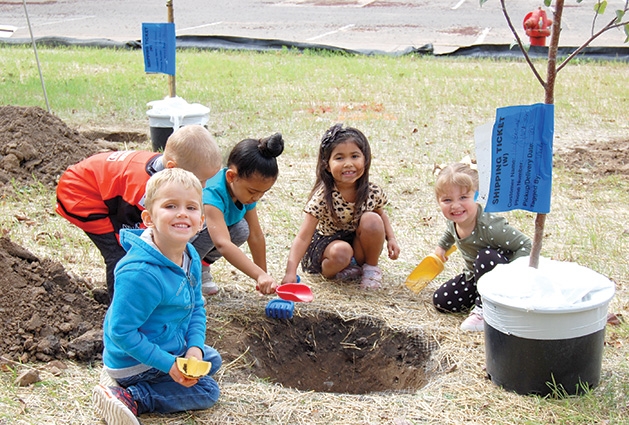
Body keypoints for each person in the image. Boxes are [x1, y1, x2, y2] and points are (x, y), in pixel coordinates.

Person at [92, 168, 222, 425]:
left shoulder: (190, 256)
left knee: (211, 358)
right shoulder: (140, 273)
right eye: (171, 206)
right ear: (149, 218)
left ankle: (147, 377)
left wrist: (194, 348)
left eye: (191, 207)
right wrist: (169, 364)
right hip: (133, 360)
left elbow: (196, 306)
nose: (182, 213)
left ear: (202, 220)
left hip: (166, 343)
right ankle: (132, 395)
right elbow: (121, 332)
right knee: (208, 391)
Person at [55, 125, 222, 302]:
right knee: (119, 254)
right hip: (80, 194)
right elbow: (133, 235)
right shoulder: (143, 191)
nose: (203, 186)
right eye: (200, 180)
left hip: (106, 192)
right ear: (173, 168)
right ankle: (121, 304)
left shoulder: (164, 171)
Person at [282, 123, 400, 290]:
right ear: (326, 164)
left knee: (372, 219)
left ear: (365, 159)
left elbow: (382, 216)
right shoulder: (323, 196)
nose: (348, 164)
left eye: (354, 156)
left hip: (358, 244)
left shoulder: (371, 191)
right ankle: (339, 271)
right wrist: (290, 271)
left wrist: (392, 239)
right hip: (330, 248)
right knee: (342, 251)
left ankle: (370, 269)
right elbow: (303, 236)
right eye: (339, 158)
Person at [431, 162, 532, 331]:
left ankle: (487, 309)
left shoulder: (490, 226)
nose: (455, 206)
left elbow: (525, 244)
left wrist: (513, 273)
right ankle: (480, 297)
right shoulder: (455, 220)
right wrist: (442, 247)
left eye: (463, 197)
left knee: (485, 256)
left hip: (500, 279)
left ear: (478, 197)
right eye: (447, 200)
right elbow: (450, 232)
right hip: (475, 277)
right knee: (442, 301)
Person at [190, 132, 284, 296]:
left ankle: (201, 267)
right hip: (184, 241)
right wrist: (258, 274)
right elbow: (222, 243)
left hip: (204, 238)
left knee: (241, 229)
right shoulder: (212, 192)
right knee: (212, 231)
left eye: (262, 193)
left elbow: (255, 235)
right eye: (253, 192)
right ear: (231, 176)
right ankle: (185, 275)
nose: (256, 198)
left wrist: (263, 277)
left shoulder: (245, 192)